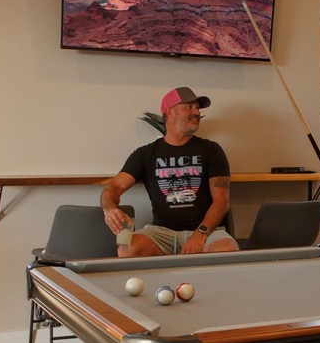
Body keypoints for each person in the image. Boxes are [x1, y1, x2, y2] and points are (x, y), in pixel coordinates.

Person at [101, 87, 238, 256]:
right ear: (170, 112)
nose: (196, 112)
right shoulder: (145, 154)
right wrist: (109, 209)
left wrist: (200, 234)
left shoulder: (211, 150)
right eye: (189, 107)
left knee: (228, 250)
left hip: (206, 231)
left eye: (198, 108)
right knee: (127, 250)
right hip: (161, 233)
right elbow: (113, 188)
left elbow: (221, 201)